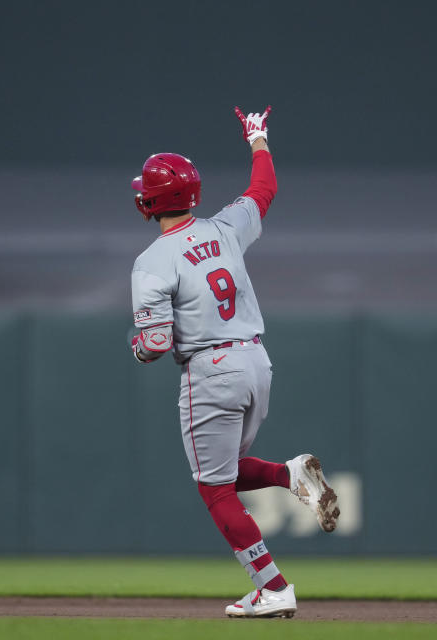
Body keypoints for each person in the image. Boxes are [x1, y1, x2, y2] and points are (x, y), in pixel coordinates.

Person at [129, 107, 340, 618]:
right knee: (224, 474)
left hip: (211, 370)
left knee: (214, 490)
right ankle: (289, 475)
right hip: (256, 363)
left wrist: (137, 346)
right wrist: (258, 136)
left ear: (151, 200)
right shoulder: (225, 227)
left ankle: (273, 585)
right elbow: (264, 189)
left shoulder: (152, 261)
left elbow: (155, 344)